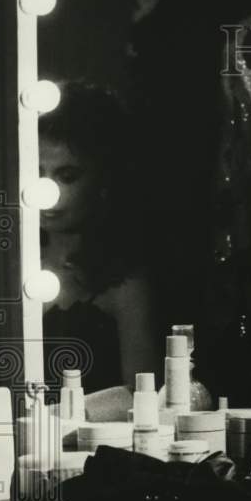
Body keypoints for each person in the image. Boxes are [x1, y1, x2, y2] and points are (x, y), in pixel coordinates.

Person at [40, 80, 158, 419]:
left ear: (102, 180)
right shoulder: (11, 269)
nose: (50, 191)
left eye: (67, 175)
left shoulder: (124, 282)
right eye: (38, 174)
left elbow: (143, 393)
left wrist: (52, 418)